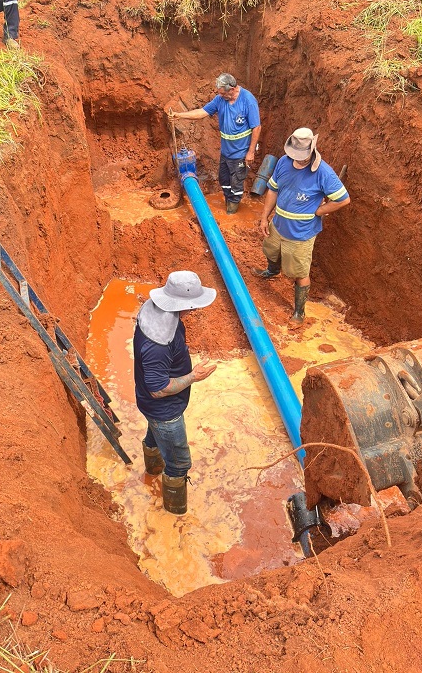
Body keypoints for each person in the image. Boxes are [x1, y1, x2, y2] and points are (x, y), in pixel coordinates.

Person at [133, 271, 217, 514]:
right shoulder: (158, 345)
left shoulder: (153, 311)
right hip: (164, 410)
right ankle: (174, 512)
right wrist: (193, 377)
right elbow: (158, 389)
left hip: (151, 407)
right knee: (180, 463)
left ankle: (152, 471)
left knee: (155, 436)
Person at [256, 127, 350, 325]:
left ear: (312, 149)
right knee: (271, 250)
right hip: (278, 224)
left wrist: (319, 211)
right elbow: (273, 190)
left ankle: (299, 312)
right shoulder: (283, 162)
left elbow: (343, 199)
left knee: (299, 272)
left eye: (301, 156)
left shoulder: (323, 172)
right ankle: (271, 271)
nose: (297, 160)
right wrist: (265, 217)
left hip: (301, 233)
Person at [169, 73, 261, 214]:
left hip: (241, 153)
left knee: (236, 182)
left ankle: (232, 209)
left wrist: (251, 152)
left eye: (223, 93)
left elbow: (257, 127)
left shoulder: (248, 100)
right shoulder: (220, 99)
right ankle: (228, 200)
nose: (220, 96)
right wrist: (179, 115)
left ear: (232, 89)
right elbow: (202, 112)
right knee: (223, 179)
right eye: (219, 93)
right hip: (226, 152)